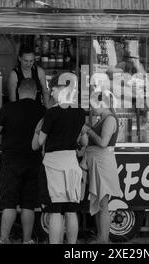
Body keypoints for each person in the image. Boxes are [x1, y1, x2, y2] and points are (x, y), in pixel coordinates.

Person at [32, 74, 86, 244]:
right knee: (71, 211)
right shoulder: (80, 113)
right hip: (71, 163)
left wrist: (37, 129)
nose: (51, 93)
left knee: (55, 212)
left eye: (53, 90)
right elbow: (82, 140)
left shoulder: (52, 113)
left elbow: (40, 142)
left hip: (53, 164)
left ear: (62, 89)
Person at [0, 79, 45, 244]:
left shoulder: (9, 108)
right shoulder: (43, 110)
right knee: (28, 204)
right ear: (35, 93)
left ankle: (3, 239)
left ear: (19, 91)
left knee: (9, 202)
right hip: (34, 161)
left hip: (12, 161)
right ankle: (27, 240)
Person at [81, 91, 123, 244]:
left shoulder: (110, 119)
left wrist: (89, 131)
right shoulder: (103, 118)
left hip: (103, 163)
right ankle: (101, 237)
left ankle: (104, 239)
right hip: (98, 162)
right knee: (100, 202)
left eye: (93, 105)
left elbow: (103, 142)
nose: (92, 109)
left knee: (103, 202)